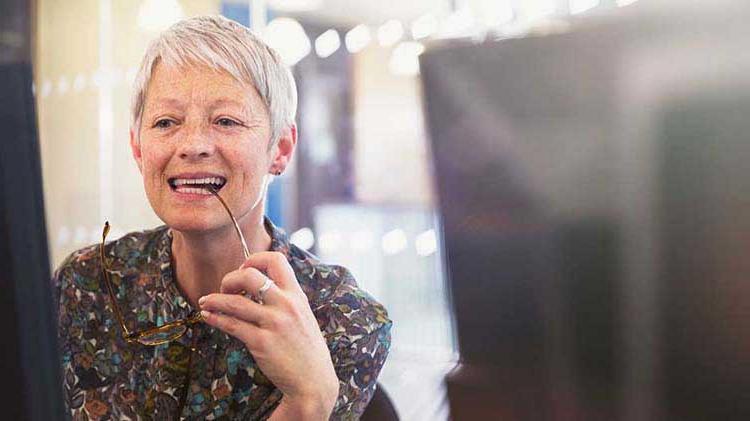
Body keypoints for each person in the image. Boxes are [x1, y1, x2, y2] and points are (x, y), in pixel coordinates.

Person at [53, 15, 391, 420]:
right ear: (139, 150)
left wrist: (307, 400)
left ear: (280, 149)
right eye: (166, 122)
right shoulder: (84, 286)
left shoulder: (343, 321)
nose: (193, 145)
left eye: (226, 121)